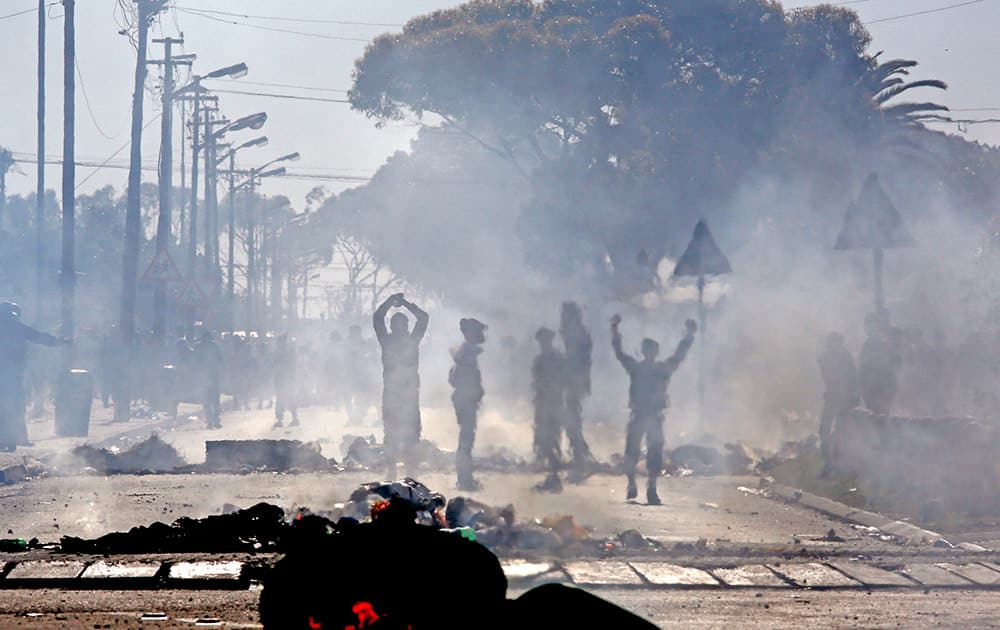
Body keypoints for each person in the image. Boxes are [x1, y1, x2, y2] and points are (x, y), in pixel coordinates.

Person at [611, 314, 695, 505]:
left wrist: (689, 335)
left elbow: (679, 355)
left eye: (651, 350)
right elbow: (619, 353)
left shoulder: (656, 369)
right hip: (641, 414)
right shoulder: (642, 368)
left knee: (653, 452)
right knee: (634, 451)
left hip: (651, 416)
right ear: (644, 351)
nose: (649, 353)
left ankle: (651, 487)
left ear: (654, 352)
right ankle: (634, 483)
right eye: (647, 349)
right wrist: (614, 331)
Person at [0, 302, 70, 451]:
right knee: (15, 406)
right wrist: (60, 342)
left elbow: (38, 337)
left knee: (11, 405)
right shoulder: (17, 326)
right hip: (13, 374)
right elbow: (38, 337)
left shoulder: (15, 326)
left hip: (12, 374)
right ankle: (16, 438)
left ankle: (12, 439)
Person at [374, 294, 429, 479]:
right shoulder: (395, 341)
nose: (399, 329)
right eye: (396, 325)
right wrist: (399, 303)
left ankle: (407, 470)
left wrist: (397, 302)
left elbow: (423, 318)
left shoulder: (402, 341)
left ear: (405, 327)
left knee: (409, 433)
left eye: (401, 325)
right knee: (393, 432)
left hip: (407, 394)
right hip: (395, 394)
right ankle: (395, 470)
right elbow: (378, 318)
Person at [559, 301, 595, 481]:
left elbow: (578, 362)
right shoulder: (576, 334)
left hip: (575, 383)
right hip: (574, 382)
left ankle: (580, 464)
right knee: (572, 422)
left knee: (572, 423)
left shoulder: (577, 335)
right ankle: (579, 461)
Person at [450, 318, 487, 490]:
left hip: (465, 400)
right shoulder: (467, 353)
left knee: (466, 439)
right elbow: (458, 379)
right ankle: (464, 480)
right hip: (465, 401)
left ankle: (465, 478)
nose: (482, 334)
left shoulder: (466, 352)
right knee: (466, 440)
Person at [818, 332, 859, 477]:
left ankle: (839, 463)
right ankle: (828, 462)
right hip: (833, 397)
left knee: (842, 431)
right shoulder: (825, 357)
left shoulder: (845, 357)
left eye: (834, 343)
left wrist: (852, 396)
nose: (831, 346)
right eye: (830, 343)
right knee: (824, 430)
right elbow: (829, 378)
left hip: (844, 399)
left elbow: (852, 378)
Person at [531, 327, 567, 494]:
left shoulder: (556, 359)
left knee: (551, 440)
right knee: (544, 440)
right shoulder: (540, 360)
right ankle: (553, 476)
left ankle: (554, 477)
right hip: (544, 404)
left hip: (553, 404)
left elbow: (561, 382)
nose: (543, 343)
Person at [858, 311, 901, 416]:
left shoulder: (885, 345)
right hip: (870, 388)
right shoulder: (866, 347)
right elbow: (863, 368)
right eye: (868, 327)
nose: (870, 330)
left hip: (884, 386)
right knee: (873, 416)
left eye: (873, 326)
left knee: (883, 416)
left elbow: (896, 363)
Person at [192, 330, 224, 429]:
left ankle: (210, 421)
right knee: (214, 401)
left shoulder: (198, 346)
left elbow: (194, 361)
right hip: (212, 376)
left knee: (207, 401)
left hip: (205, 377)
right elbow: (221, 360)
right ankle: (215, 421)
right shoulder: (215, 346)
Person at [272, 334, 300, 428]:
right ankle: (283, 419)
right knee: (282, 398)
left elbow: (292, 365)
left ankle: (292, 418)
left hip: (286, 378)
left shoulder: (286, 352)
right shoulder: (283, 352)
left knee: (287, 398)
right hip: (281, 378)